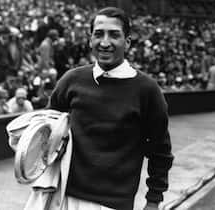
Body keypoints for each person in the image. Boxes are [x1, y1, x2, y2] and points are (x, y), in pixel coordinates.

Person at [48, 7, 173, 210]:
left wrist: (153, 201)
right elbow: (46, 128)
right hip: (63, 198)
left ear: (127, 42)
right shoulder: (71, 80)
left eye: (114, 35)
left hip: (113, 204)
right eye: (98, 34)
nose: (105, 43)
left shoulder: (147, 90)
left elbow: (160, 152)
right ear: (90, 40)